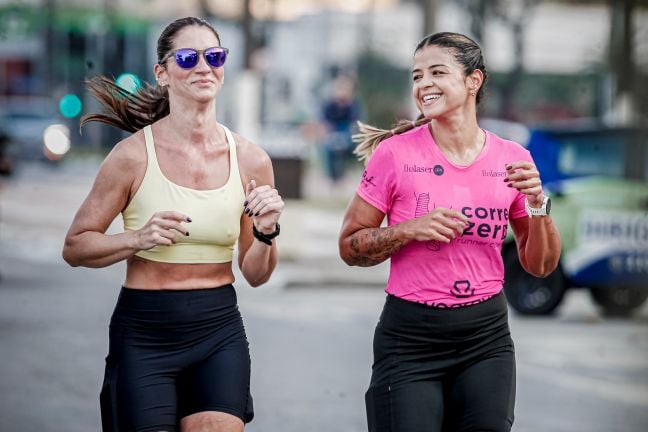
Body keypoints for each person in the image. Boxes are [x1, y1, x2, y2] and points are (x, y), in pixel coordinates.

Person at [62, 17, 284, 432]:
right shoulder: (131, 156)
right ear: (163, 73)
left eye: (214, 56)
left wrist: (267, 231)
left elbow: (255, 274)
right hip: (145, 332)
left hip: (218, 327)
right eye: (188, 57)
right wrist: (136, 238)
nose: (204, 66)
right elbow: (75, 246)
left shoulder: (252, 160)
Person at [339, 32, 561, 432]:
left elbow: (541, 265)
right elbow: (350, 247)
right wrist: (408, 230)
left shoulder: (513, 160)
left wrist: (537, 203)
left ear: (473, 81)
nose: (423, 84)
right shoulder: (395, 154)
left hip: (485, 339)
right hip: (410, 339)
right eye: (417, 75)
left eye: (437, 72)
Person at [319, 75, 361, 184]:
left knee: (342, 146)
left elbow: (355, 124)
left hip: (347, 135)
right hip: (332, 134)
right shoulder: (329, 105)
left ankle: (340, 174)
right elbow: (324, 122)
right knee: (328, 147)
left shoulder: (353, 105)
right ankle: (332, 176)